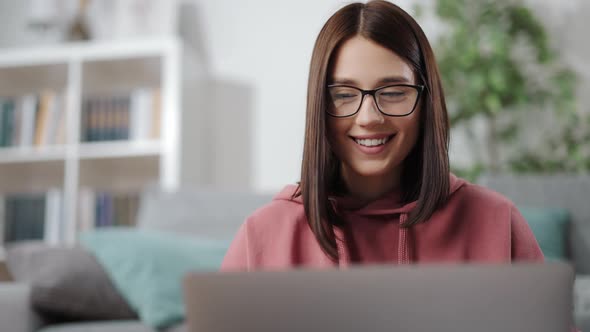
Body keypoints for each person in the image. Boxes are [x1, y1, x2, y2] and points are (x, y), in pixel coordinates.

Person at [221, 0, 543, 271]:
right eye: (344, 95)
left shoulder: (498, 222)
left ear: (426, 102)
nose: (369, 118)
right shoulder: (261, 236)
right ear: (319, 107)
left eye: (393, 92)